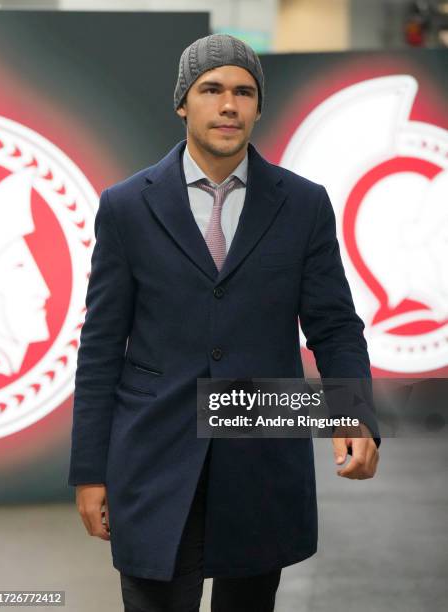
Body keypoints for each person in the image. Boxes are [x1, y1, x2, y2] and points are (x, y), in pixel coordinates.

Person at [68, 33, 381, 612]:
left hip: (261, 455)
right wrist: (89, 472)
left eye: (244, 91)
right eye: (211, 89)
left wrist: (355, 417)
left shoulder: (304, 205)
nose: (229, 105)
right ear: (183, 102)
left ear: (259, 106)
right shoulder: (126, 207)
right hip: (154, 459)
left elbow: (334, 325)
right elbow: (102, 347)